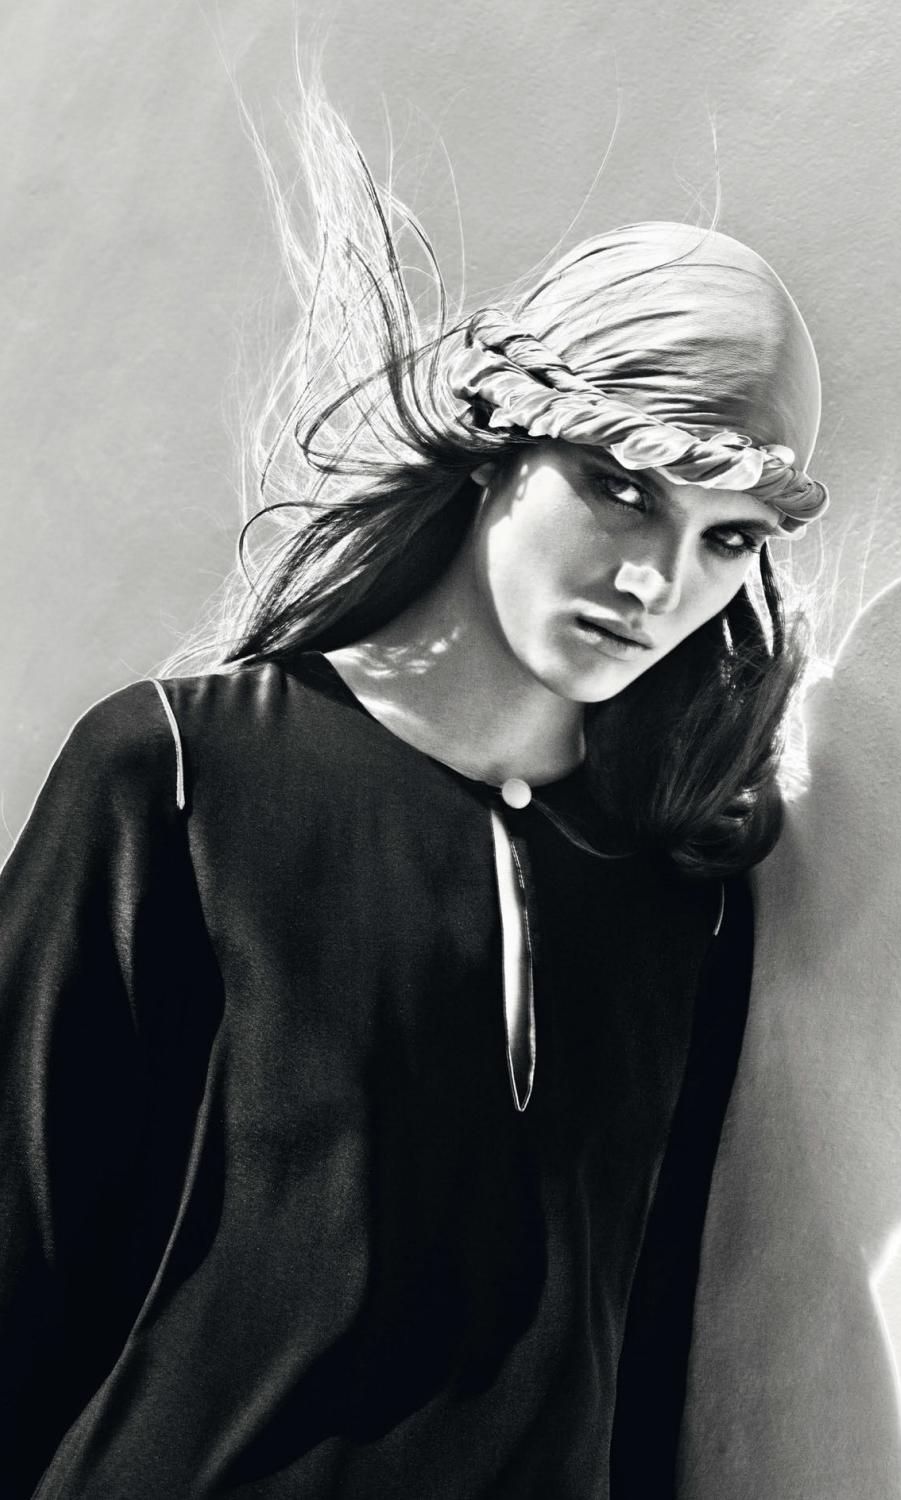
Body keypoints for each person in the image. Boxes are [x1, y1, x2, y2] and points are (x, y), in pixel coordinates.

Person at [0, 84, 832, 1500]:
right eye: (621, 486)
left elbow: (637, 1367)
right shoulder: (180, 776)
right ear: (502, 447)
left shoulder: (680, 891)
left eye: (728, 537)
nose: (657, 581)